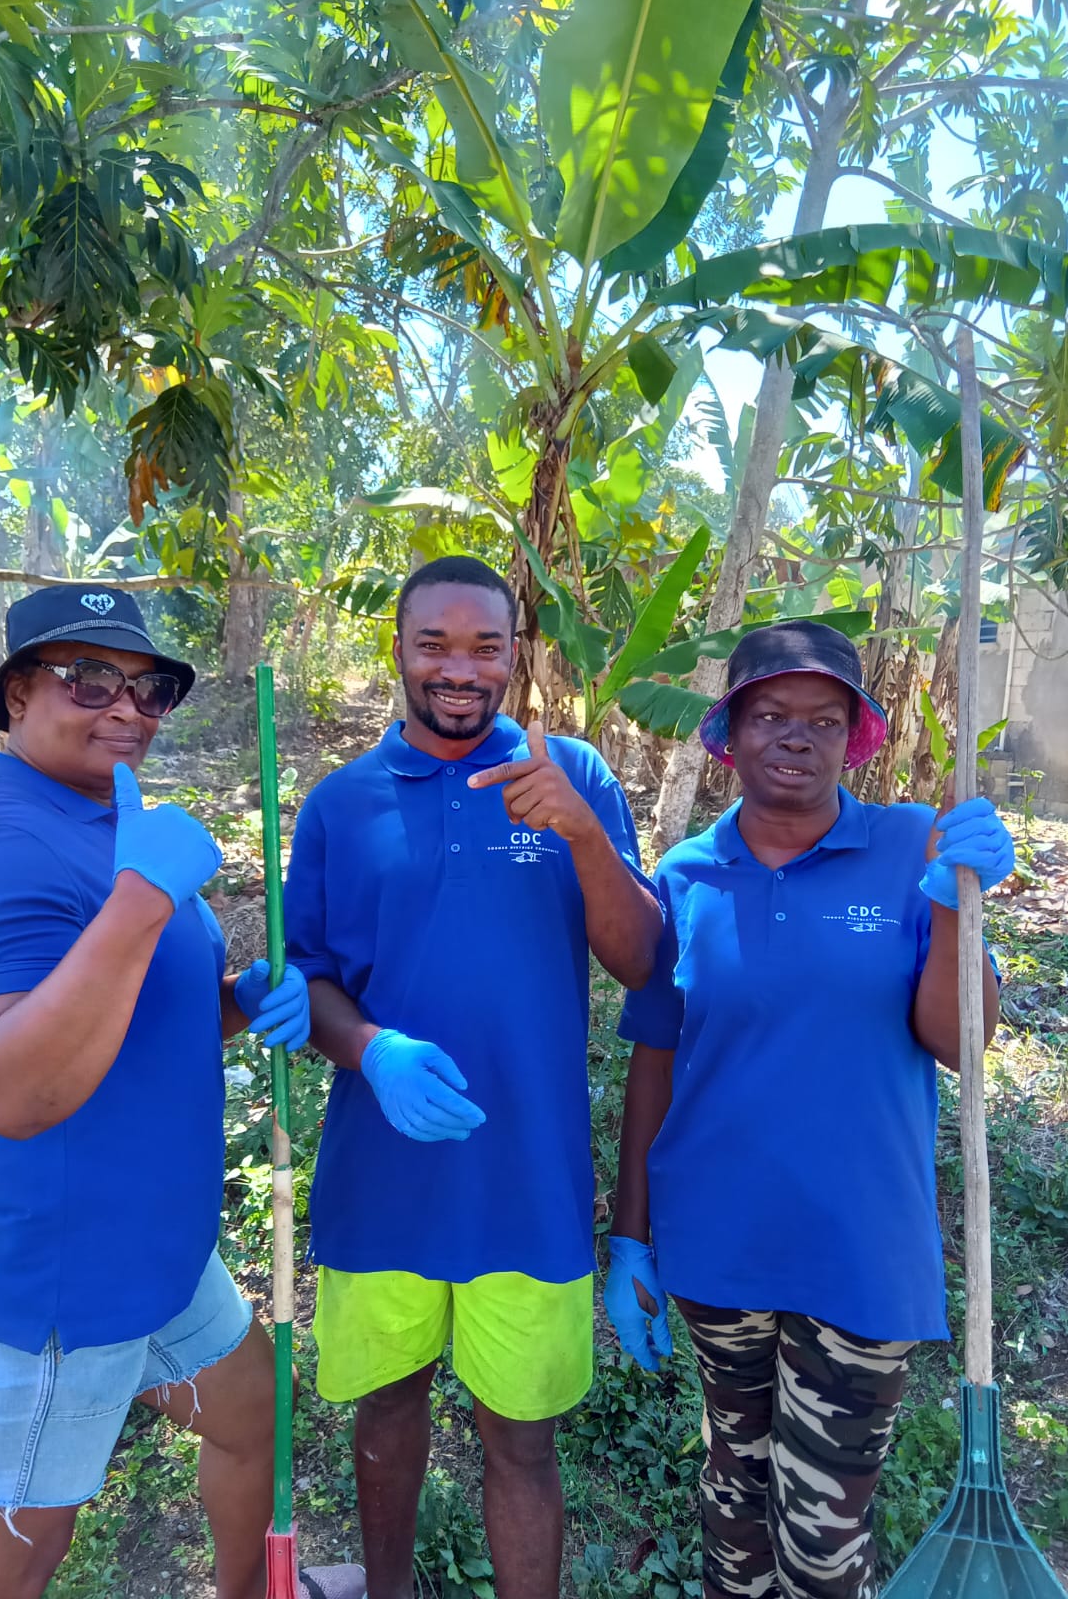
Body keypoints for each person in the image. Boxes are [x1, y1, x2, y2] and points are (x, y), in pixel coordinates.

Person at [0, 584, 334, 1599]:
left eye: (149, 689)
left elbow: (117, 1009)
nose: (127, 706)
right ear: (14, 696)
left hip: (155, 1258)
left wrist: (239, 997)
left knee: (250, 1415)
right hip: (51, 1287)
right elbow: (11, 1086)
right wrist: (146, 897)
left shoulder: (103, 821)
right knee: (6, 1568)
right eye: (88, 678)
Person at [605, 619, 1015, 1599]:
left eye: (823, 719)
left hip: (861, 1251)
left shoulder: (915, 845)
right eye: (771, 715)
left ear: (853, 738)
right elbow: (656, 1061)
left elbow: (957, 1040)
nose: (796, 735)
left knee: (826, 1539)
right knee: (732, 1504)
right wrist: (631, 1237)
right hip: (718, 1245)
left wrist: (958, 901)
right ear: (729, 734)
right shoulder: (688, 877)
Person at [282, 554, 664, 1599]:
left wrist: (582, 833)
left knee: (523, 1443)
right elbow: (307, 979)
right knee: (387, 1410)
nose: (460, 668)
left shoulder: (572, 775)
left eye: (485, 646)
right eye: (434, 644)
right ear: (399, 651)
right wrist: (371, 1048)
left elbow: (642, 960)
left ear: (515, 656)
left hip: (524, 1182)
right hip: (382, 1177)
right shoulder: (341, 805)